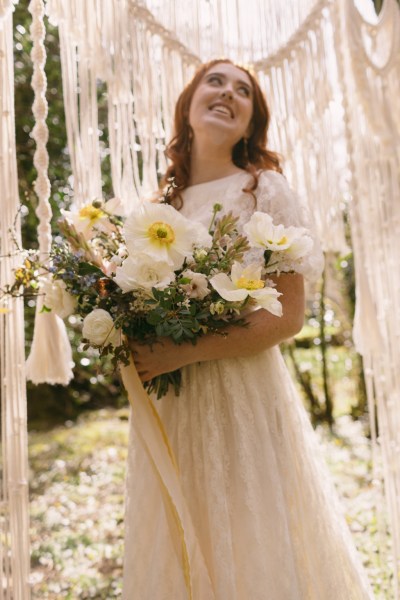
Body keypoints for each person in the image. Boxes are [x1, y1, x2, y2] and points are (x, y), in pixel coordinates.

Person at [123, 59, 374, 599]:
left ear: (249, 123)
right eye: (215, 81)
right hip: (171, 404)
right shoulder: (159, 208)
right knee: (183, 539)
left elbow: (286, 318)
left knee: (250, 536)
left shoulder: (264, 191)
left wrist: (181, 354)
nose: (228, 94)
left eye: (244, 92)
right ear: (188, 104)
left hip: (242, 398)